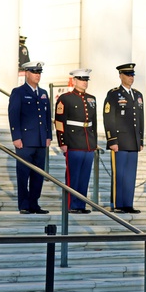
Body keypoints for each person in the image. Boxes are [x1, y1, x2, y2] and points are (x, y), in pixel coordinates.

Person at [7, 61, 52, 214]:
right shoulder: (18, 92)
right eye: (34, 72)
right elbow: (14, 115)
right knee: (23, 173)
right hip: (25, 141)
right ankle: (24, 204)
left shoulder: (44, 93)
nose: (37, 75)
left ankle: (34, 203)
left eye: (39, 72)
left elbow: (47, 116)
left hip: (40, 140)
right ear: (26, 73)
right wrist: (16, 136)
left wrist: (48, 136)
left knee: (38, 175)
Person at [103, 63, 144, 213]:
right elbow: (109, 118)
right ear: (120, 75)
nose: (131, 77)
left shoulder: (138, 95)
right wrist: (112, 140)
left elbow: (140, 119)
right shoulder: (114, 94)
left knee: (130, 175)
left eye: (132, 74)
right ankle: (118, 204)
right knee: (119, 174)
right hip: (119, 141)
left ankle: (128, 203)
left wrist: (141, 140)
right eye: (128, 75)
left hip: (133, 141)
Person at [55, 68, 98, 213]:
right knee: (73, 176)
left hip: (88, 142)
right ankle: (71, 205)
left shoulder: (92, 98)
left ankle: (81, 205)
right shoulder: (65, 98)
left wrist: (94, 142)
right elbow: (60, 121)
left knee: (84, 177)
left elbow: (94, 122)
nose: (84, 82)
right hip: (73, 141)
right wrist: (62, 142)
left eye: (86, 80)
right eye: (81, 79)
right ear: (74, 81)